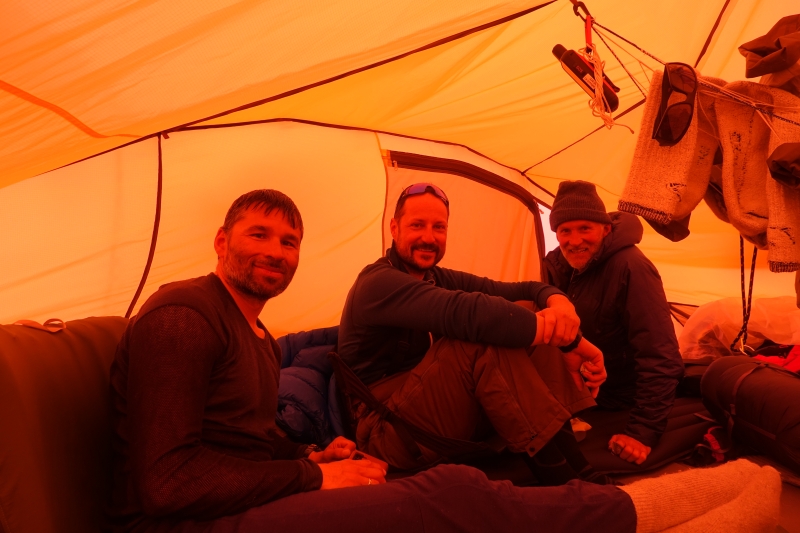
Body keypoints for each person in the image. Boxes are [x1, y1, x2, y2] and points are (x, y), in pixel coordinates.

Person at [107, 188, 780, 533]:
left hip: (280, 475)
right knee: (455, 483)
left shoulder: (251, 331)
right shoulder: (184, 315)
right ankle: (612, 505)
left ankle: (586, 485)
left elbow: (506, 290)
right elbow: (166, 485)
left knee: (467, 465)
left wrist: (308, 455)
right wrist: (310, 476)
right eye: (259, 235)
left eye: (288, 242)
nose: (275, 252)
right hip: (192, 520)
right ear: (221, 241)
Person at [337, 182, 608, 485]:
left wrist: (560, 304)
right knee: (481, 338)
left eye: (439, 227)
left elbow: (523, 290)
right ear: (394, 228)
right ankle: (558, 477)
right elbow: (468, 313)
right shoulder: (377, 283)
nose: (429, 237)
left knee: (526, 309)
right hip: (383, 430)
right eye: (417, 225)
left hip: (423, 408)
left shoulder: (435, 277)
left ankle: (572, 456)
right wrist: (570, 341)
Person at [543, 180, 685, 465]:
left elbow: (660, 354)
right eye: (565, 231)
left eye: (585, 228)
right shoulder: (557, 266)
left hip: (621, 397)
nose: (574, 241)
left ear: (605, 229)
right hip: (577, 390)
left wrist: (643, 432)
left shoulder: (631, 267)